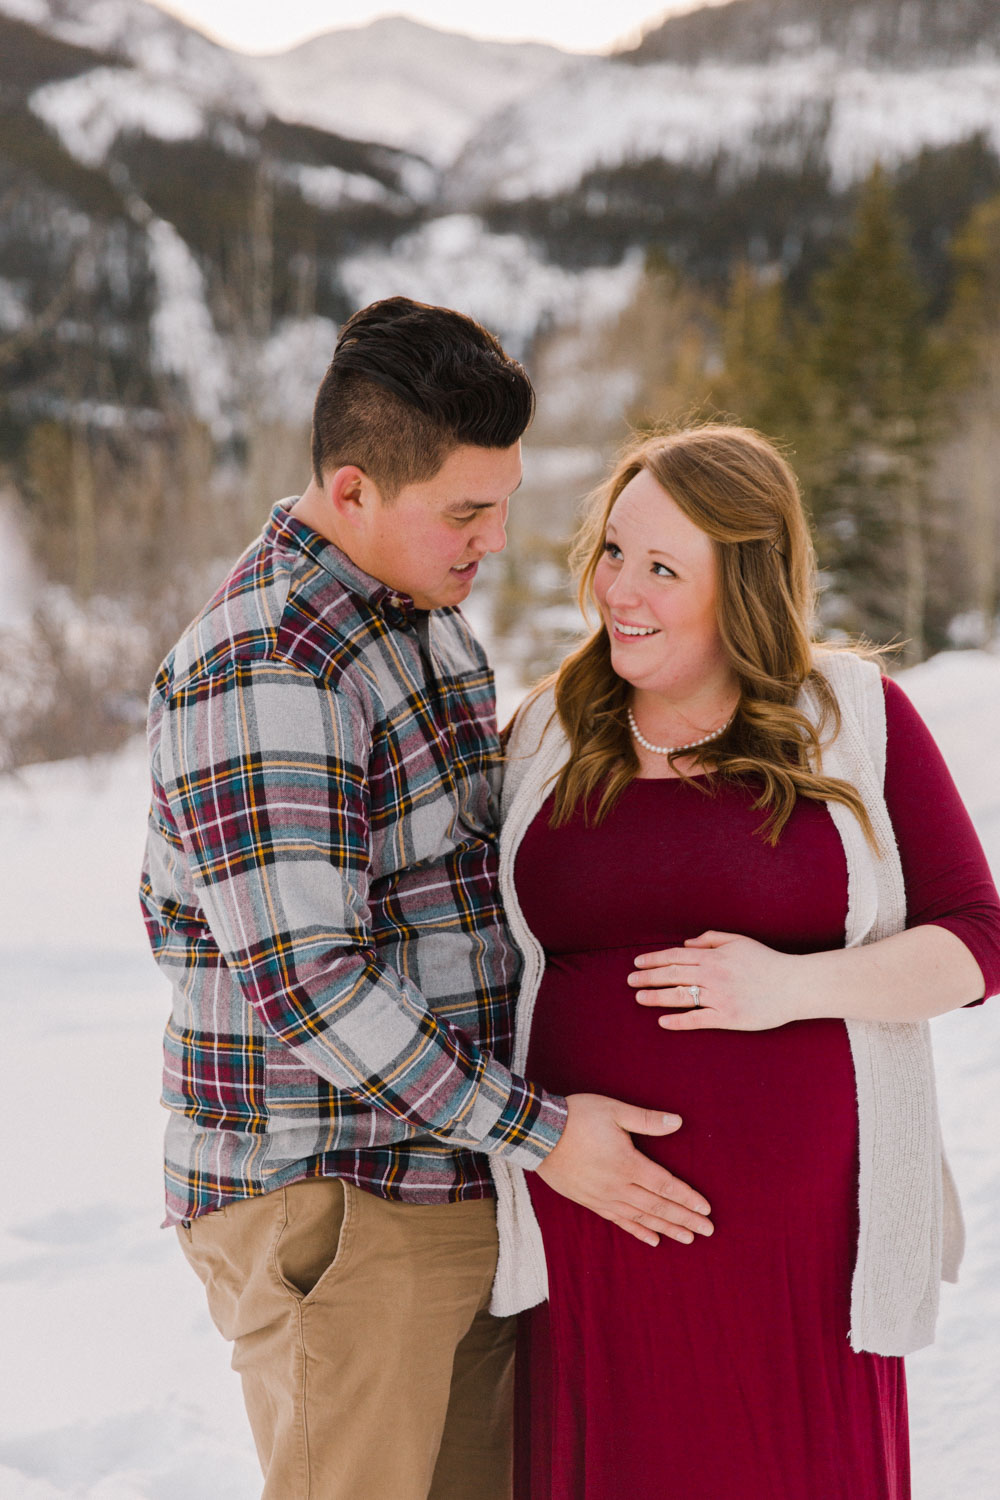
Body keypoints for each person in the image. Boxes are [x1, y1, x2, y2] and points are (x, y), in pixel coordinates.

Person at [139, 297, 713, 1500]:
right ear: (351, 491)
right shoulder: (267, 666)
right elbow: (310, 981)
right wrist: (550, 1137)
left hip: (453, 1170)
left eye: (501, 503)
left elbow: (457, 859)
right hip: (337, 1201)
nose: (494, 538)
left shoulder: (418, 615)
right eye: (466, 511)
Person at [490, 423, 1000, 1499]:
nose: (618, 589)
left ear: (745, 587)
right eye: (613, 551)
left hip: (799, 1258)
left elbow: (975, 940)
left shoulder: (851, 719)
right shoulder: (542, 735)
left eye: (663, 569)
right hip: (595, 1225)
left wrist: (792, 986)